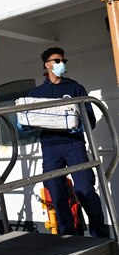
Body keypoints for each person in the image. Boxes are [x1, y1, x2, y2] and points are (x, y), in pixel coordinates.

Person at [28, 47, 107, 238]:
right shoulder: (36, 93)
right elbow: (30, 120)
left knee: (84, 189)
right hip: (50, 146)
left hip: (74, 145)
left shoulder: (75, 88)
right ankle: (68, 237)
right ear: (47, 65)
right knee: (55, 190)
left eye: (63, 61)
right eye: (56, 61)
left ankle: (100, 236)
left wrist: (78, 124)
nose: (61, 64)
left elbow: (90, 119)